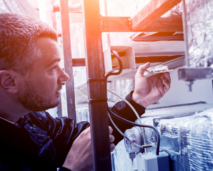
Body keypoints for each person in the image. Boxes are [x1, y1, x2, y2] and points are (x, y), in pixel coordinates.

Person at [0, 13, 171, 171]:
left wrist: (138, 100)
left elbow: (88, 137)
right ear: (9, 81)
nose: (65, 76)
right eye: (52, 68)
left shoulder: (31, 119)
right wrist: (72, 168)